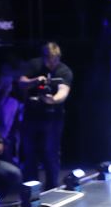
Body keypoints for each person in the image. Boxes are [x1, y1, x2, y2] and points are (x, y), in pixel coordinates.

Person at [16, 42, 73, 189]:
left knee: (50, 152)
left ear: (59, 57)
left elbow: (63, 91)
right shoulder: (33, 65)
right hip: (31, 115)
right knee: (30, 153)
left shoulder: (64, 71)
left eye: (54, 59)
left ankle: (52, 188)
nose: (51, 62)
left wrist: (52, 100)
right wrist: (35, 80)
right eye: (48, 58)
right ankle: (31, 189)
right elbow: (21, 82)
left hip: (53, 117)